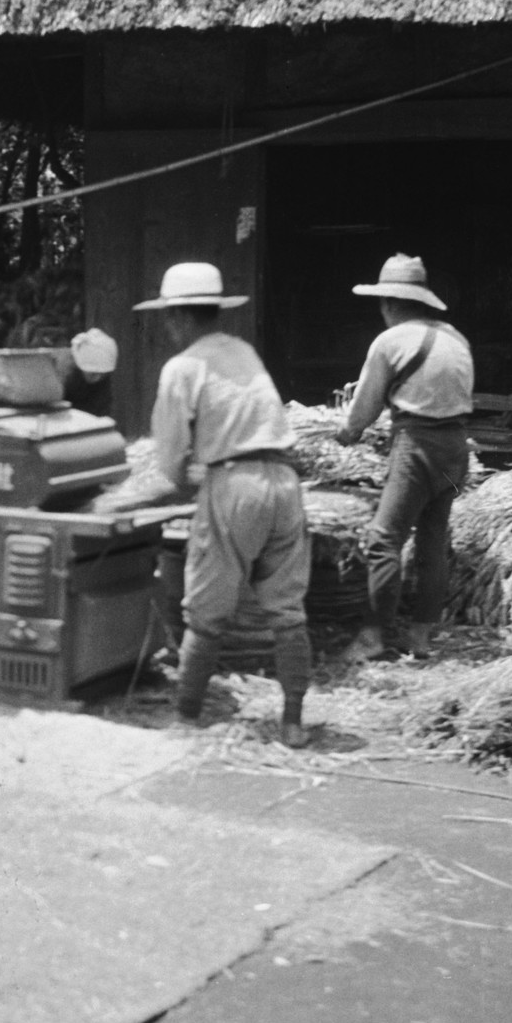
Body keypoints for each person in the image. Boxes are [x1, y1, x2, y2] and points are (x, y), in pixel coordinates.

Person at [109, 262, 312, 747]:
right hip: (285, 480)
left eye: (168, 319)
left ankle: (186, 716)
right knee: (288, 611)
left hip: (234, 483)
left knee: (206, 612)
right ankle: (293, 723)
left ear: (177, 317)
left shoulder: (182, 368)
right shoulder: (242, 351)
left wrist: (156, 490)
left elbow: (171, 463)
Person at [335, 254, 474, 662]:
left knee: (383, 539)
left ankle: (372, 637)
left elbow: (364, 408)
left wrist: (348, 432)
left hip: (418, 448)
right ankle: (420, 637)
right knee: (432, 543)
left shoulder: (390, 341)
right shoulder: (455, 337)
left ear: (390, 304)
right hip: (456, 452)